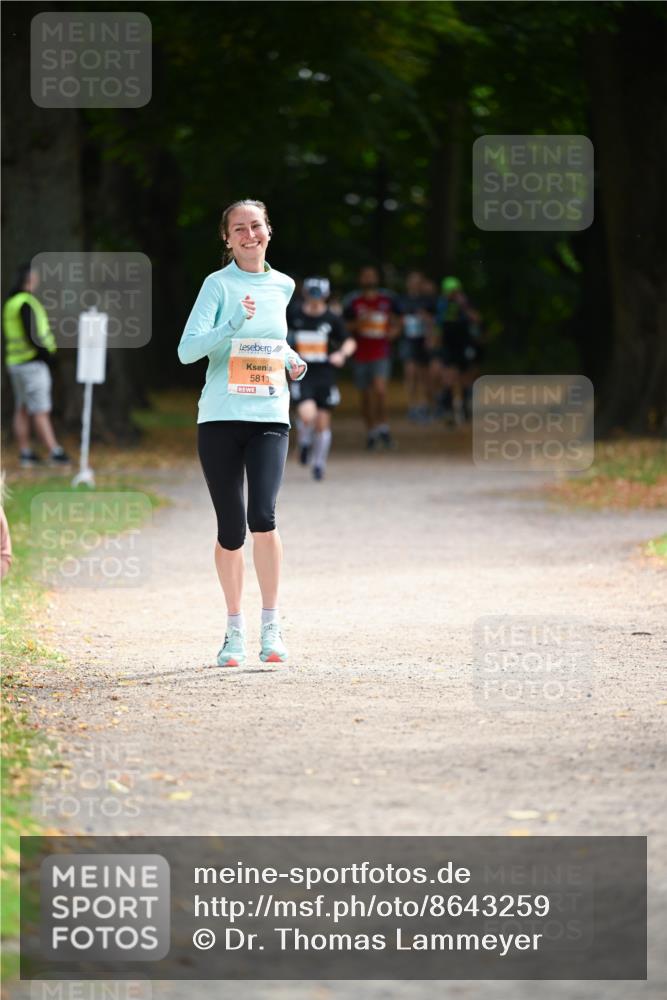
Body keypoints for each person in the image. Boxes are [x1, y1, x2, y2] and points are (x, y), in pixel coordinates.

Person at [178, 199, 308, 667]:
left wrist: (291, 358)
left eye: (256, 226)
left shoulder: (284, 285)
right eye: (239, 229)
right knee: (231, 529)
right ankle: (234, 630)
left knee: (264, 518)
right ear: (227, 239)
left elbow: (274, 340)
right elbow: (187, 351)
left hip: (270, 416)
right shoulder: (217, 285)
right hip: (219, 418)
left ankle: (271, 627)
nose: (249, 234)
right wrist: (231, 325)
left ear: (268, 231)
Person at [288, 276, 356, 480]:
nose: (315, 300)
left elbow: (349, 341)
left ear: (326, 296)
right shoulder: (294, 314)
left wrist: (341, 354)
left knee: (322, 422)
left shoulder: (332, 318)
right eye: (311, 295)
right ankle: (304, 443)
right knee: (308, 415)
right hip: (302, 373)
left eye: (319, 296)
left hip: (325, 374)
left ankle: (319, 464)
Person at [2, 263, 70, 468]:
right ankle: (54, 451)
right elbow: (33, 335)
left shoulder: (11, 303)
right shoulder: (26, 303)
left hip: (15, 363)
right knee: (41, 409)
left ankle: (25, 453)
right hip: (33, 364)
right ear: (30, 279)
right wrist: (47, 357)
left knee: (22, 408)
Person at [343, 265, 402, 450]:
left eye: (372, 276)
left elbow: (400, 318)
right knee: (366, 395)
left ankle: (383, 427)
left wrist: (395, 331)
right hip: (360, 353)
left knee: (380, 390)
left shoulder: (387, 299)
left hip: (381, 351)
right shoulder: (353, 301)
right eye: (365, 276)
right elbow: (343, 326)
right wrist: (358, 324)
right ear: (361, 279)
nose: (369, 279)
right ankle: (371, 431)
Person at [430, 276, 482, 425]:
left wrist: (464, 307)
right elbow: (437, 325)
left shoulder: (465, 303)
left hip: (464, 344)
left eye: (454, 291)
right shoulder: (441, 304)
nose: (452, 294)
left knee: (465, 376)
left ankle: (465, 406)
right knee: (448, 375)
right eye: (449, 291)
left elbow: (476, 319)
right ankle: (448, 407)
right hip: (448, 345)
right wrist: (434, 341)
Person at [398, 270, 435, 422]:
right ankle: (412, 406)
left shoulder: (428, 301)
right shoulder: (401, 300)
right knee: (410, 372)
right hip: (408, 340)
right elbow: (396, 320)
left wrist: (426, 319)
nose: (415, 284)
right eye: (413, 281)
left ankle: (425, 406)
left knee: (424, 375)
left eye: (418, 282)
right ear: (408, 284)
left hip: (423, 341)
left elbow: (434, 321)